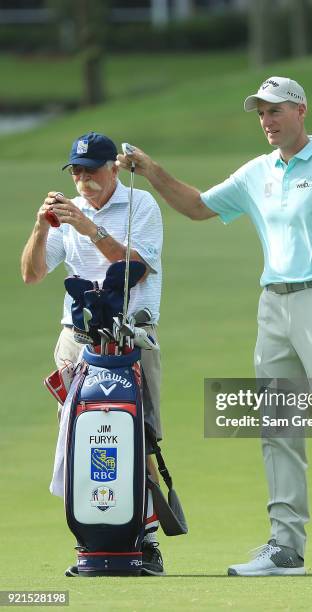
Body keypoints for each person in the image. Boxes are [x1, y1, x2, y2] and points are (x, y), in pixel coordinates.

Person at [116, 77, 312, 576]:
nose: (267, 121)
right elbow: (198, 206)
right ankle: (285, 546)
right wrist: (153, 170)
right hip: (274, 307)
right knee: (277, 424)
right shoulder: (256, 173)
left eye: (275, 111)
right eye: (261, 113)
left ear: (301, 110)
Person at [21, 131, 165, 576]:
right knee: (79, 439)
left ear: (113, 169)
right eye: (76, 171)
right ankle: (90, 537)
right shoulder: (70, 211)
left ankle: (147, 541)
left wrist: (88, 227)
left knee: (141, 435)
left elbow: (135, 269)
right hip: (76, 341)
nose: (83, 180)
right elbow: (32, 273)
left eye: (91, 170)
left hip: (132, 336)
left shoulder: (141, 204)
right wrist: (42, 226)